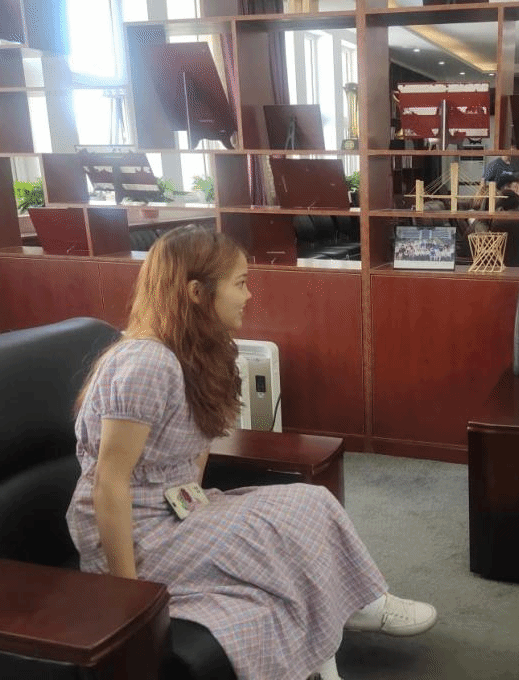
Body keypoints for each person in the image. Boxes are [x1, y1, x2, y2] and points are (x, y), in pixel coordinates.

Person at [66, 225, 437, 680]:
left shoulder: (202, 352)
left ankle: (355, 606)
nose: (249, 295)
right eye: (240, 283)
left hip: (177, 510)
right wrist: (131, 601)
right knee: (270, 540)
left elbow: (196, 451)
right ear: (196, 293)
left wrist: (204, 516)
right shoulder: (147, 363)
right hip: (139, 532)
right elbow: (109, 484)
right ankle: (346, 616)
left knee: (311, 502)